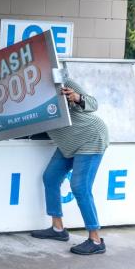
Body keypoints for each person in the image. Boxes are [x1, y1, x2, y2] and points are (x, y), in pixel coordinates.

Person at [30, 79, 109, 255]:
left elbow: (93, 103)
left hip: (90, 136)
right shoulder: (25, 93)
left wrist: (77, 97)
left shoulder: (60, 79)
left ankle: (95, 240)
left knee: (80, 187)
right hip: (68, 143)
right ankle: (58, 229)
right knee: (50, 177)